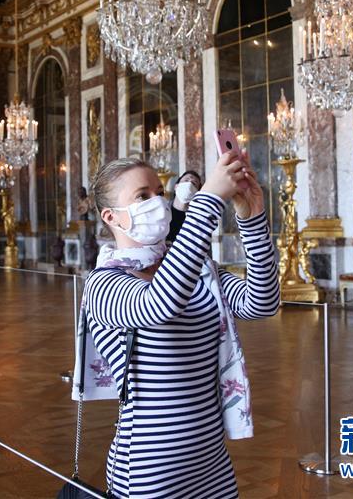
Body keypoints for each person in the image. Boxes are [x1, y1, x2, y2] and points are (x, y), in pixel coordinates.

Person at [83, 151, 279, 498]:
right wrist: (208, 201)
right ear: (111, 216)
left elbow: (261, 302)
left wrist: (252, 218)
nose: (158, 202)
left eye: (160, 192)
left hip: (212, 462)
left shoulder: (198, 269)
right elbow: (159, 304)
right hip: (150, 469)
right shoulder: (104, 284)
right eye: (142, 196)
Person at [168, 170, 203, 243]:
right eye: (186, 180)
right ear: (176, 186)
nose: (189, 184)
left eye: (194, 183)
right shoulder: (162, 210)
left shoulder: (197, 219)